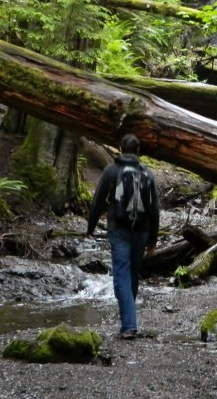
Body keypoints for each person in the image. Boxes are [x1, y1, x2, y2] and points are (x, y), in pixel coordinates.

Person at [86, 133, 159, 339]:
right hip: (141, 231)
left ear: (119, 148)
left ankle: (128, 324)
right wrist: (153, 239)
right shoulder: (148, 174)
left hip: (119, 229)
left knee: (121, 274)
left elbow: (98, 200)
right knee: (132, 274)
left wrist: (91, 226)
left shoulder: (112, 170)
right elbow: (154, 209)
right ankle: (129, 321)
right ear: (138, 151)